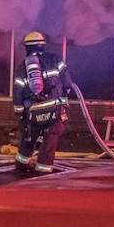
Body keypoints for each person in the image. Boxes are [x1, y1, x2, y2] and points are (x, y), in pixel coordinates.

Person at [14, 30, 70, 176]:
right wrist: (62, 101)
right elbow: (67, 83)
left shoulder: (22, 68)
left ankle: (21, 164)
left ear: (27, 48)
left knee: (29, 136)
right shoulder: (55, 59)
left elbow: (18, 93)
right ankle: (43, 172)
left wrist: (20, 114)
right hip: (54, 110)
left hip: (34, 112)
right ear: (42, 46)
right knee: (49, 141)